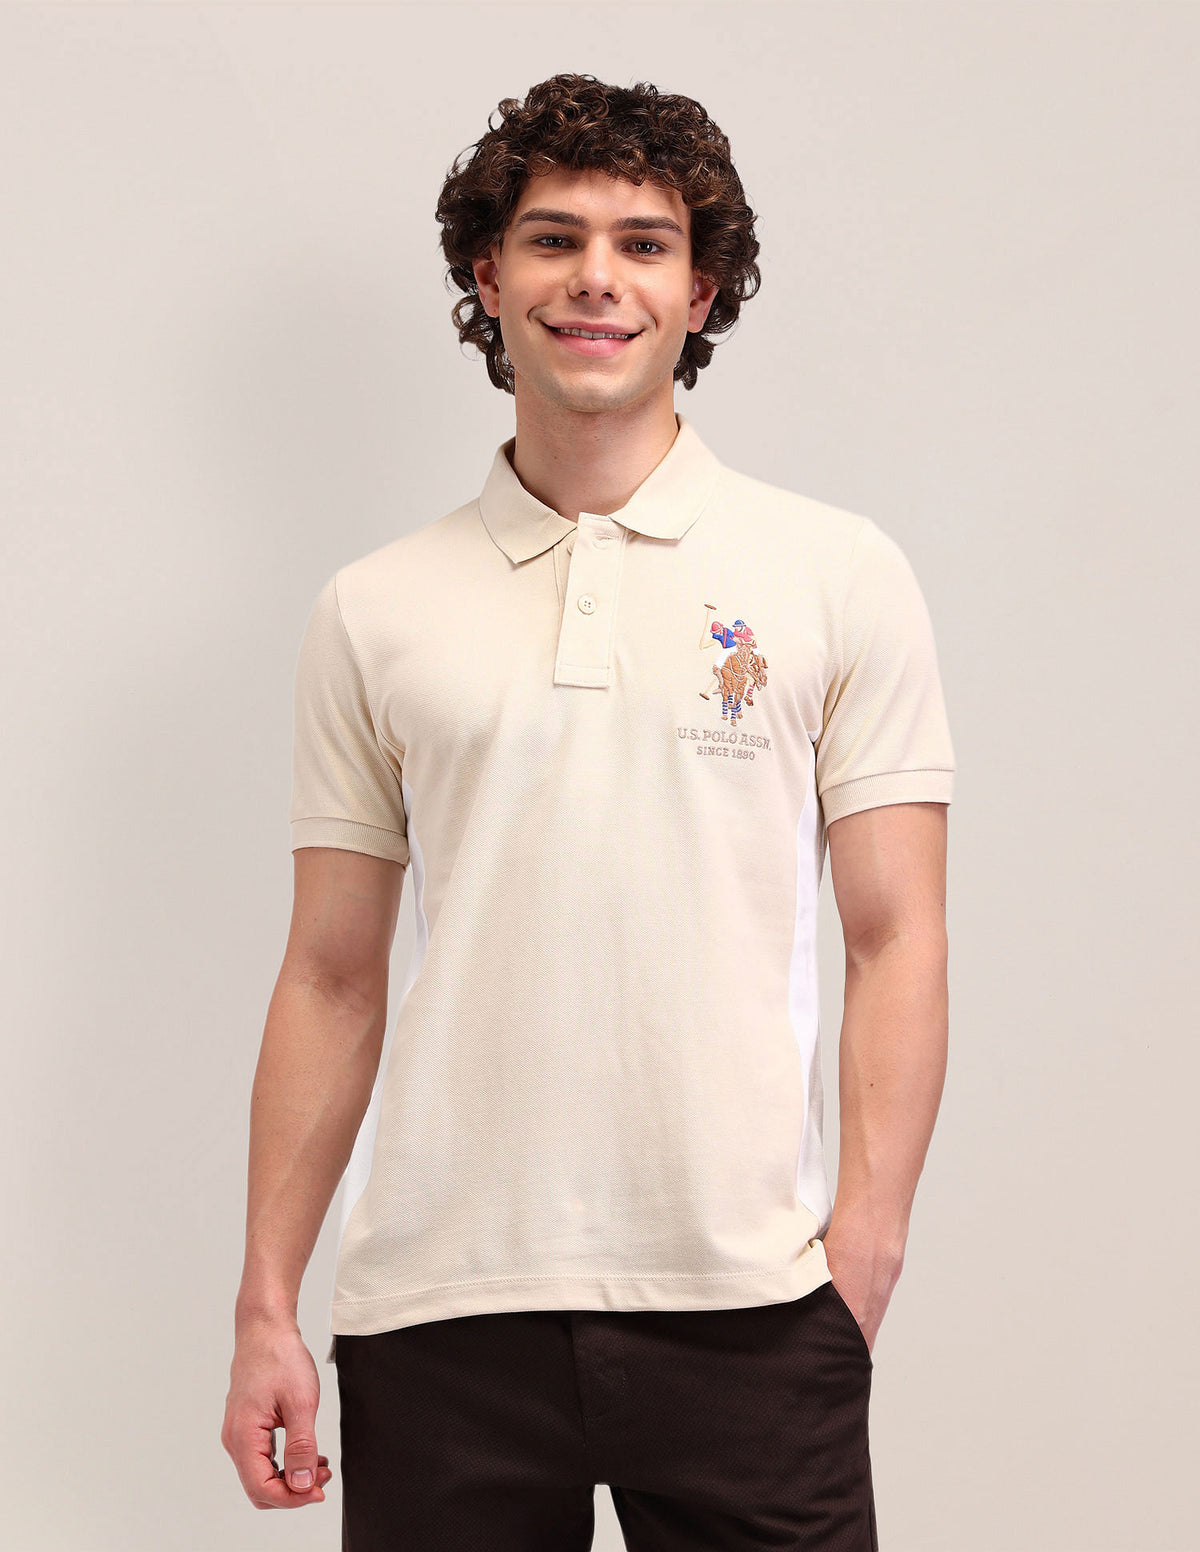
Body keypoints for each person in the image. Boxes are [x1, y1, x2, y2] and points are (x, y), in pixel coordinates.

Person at [222, 71, 955, 1551]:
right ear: (488, 278)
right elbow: (330, 974)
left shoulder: (837, 574)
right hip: (440, 1317)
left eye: (644, 243)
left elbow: (898, 936)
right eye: (553, 239)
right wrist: (265, 1302)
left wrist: (862, 1255)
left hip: (752, 1308)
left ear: (702, 290)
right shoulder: (374, 609)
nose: (596, 279)